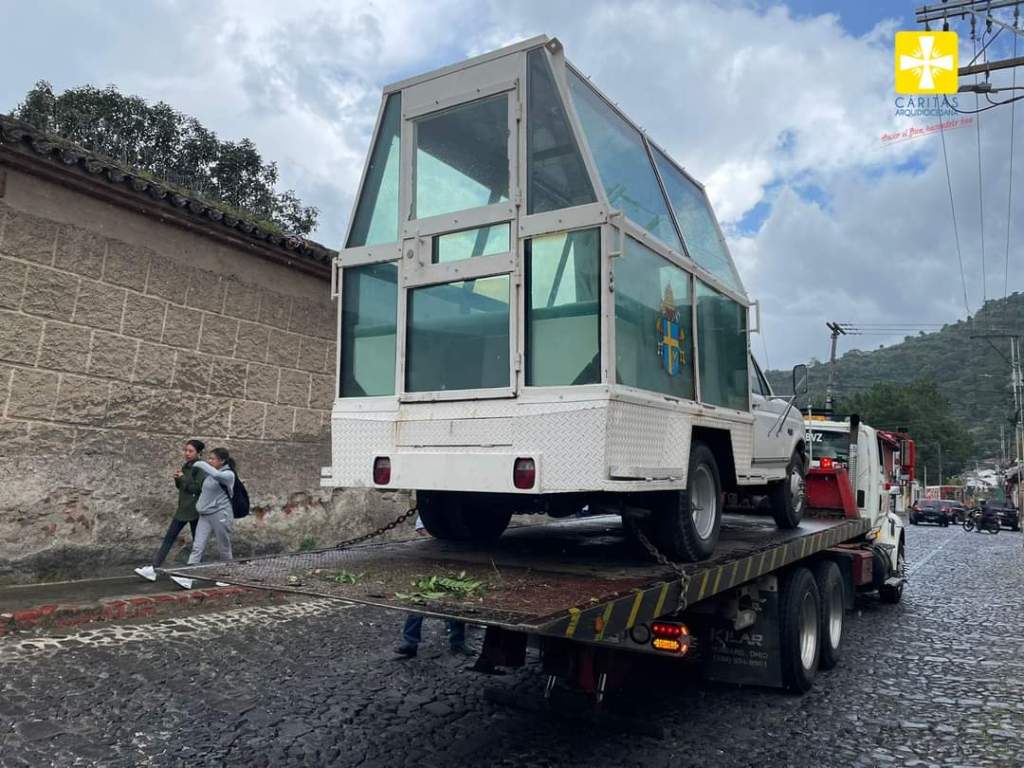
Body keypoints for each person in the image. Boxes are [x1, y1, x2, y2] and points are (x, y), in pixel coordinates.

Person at [395, 516, 471, 658]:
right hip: (433, 560)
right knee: (419, 601)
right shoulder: (437, 506)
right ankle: (410, 643)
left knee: (455, 602)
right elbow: (421, 527)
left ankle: (458, 643)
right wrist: (438, 544)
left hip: (457, 559)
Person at [134, 439, 205, 581]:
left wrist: (183, 478)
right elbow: (183, 487)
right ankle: (154, 569)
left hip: (195, 510)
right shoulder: (187, 466)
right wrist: (178, 480)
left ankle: (194, 574)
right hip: (183, 508)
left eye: (191, 451)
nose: (187, 453)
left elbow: (198, 488)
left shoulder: (201, 468)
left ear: (199, 452)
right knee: (169, 538)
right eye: (186, 450)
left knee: (198, 544)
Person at [170, 447, 236, 590]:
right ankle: (188, 578)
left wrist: (199, 463)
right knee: (197, 547)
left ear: (222, 461)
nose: (210, 461)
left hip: (220, 515)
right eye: (209, 458)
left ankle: (228, 575)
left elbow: (217, 475)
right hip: (205, 515)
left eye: (213, 459)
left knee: (223, 546)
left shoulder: (228, 474)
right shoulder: (210, 474)